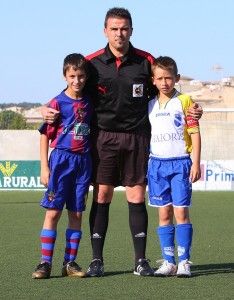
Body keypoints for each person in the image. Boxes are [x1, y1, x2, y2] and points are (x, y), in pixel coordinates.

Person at [41, 7, 203, 277]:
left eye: (124, 28)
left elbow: (166, 88)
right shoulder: (91, 63)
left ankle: (141, 260)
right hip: (103, 138)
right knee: (102, 196)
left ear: (131, 30)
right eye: (114, 29)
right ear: (105, 31)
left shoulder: (145, 61)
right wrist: (48, 108)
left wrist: (193, 108)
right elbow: (73, 88)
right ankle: (96, 260)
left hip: (137, 138)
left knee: (136, 196)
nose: (119, 33)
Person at [32, 53, 92, 279]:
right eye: (72, 76)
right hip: (61, 160)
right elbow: (44, 136)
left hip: (83, 163)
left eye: (81, 76)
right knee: (54, 212)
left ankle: (70, 263)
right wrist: (44, 167)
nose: (77, 81)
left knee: (76, 213)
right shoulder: (57, 102)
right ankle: (44, 263)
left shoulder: (89, 100)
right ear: (65, 76)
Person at [147, 56, 201, 278]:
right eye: (160, 78)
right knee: (164, 213)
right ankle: (168, 262)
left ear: (176, 78)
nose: (164, 82)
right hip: (157, 165)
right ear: (153, 80)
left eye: (168, 77)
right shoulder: (149, 104)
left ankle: (184, 261)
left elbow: (195, 133)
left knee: (181, 212)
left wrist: (195, 162)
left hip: (180, 163)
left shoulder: (186, 101)